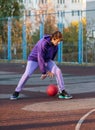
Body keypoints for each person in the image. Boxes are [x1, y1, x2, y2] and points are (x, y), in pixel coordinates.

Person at [10, 31, 72, 100]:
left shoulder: (56, 47)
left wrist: (51, 70)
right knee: (27, 74)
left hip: (46, 60)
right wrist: (44, 72)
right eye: (58, 41)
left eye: (59, 41)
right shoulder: (43, 43)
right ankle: (16, 91)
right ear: (54, 38)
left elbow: (51, 59)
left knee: (58, 71)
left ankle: (62, 92)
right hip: (34, 59)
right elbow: (40, 58)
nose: (59, 43)